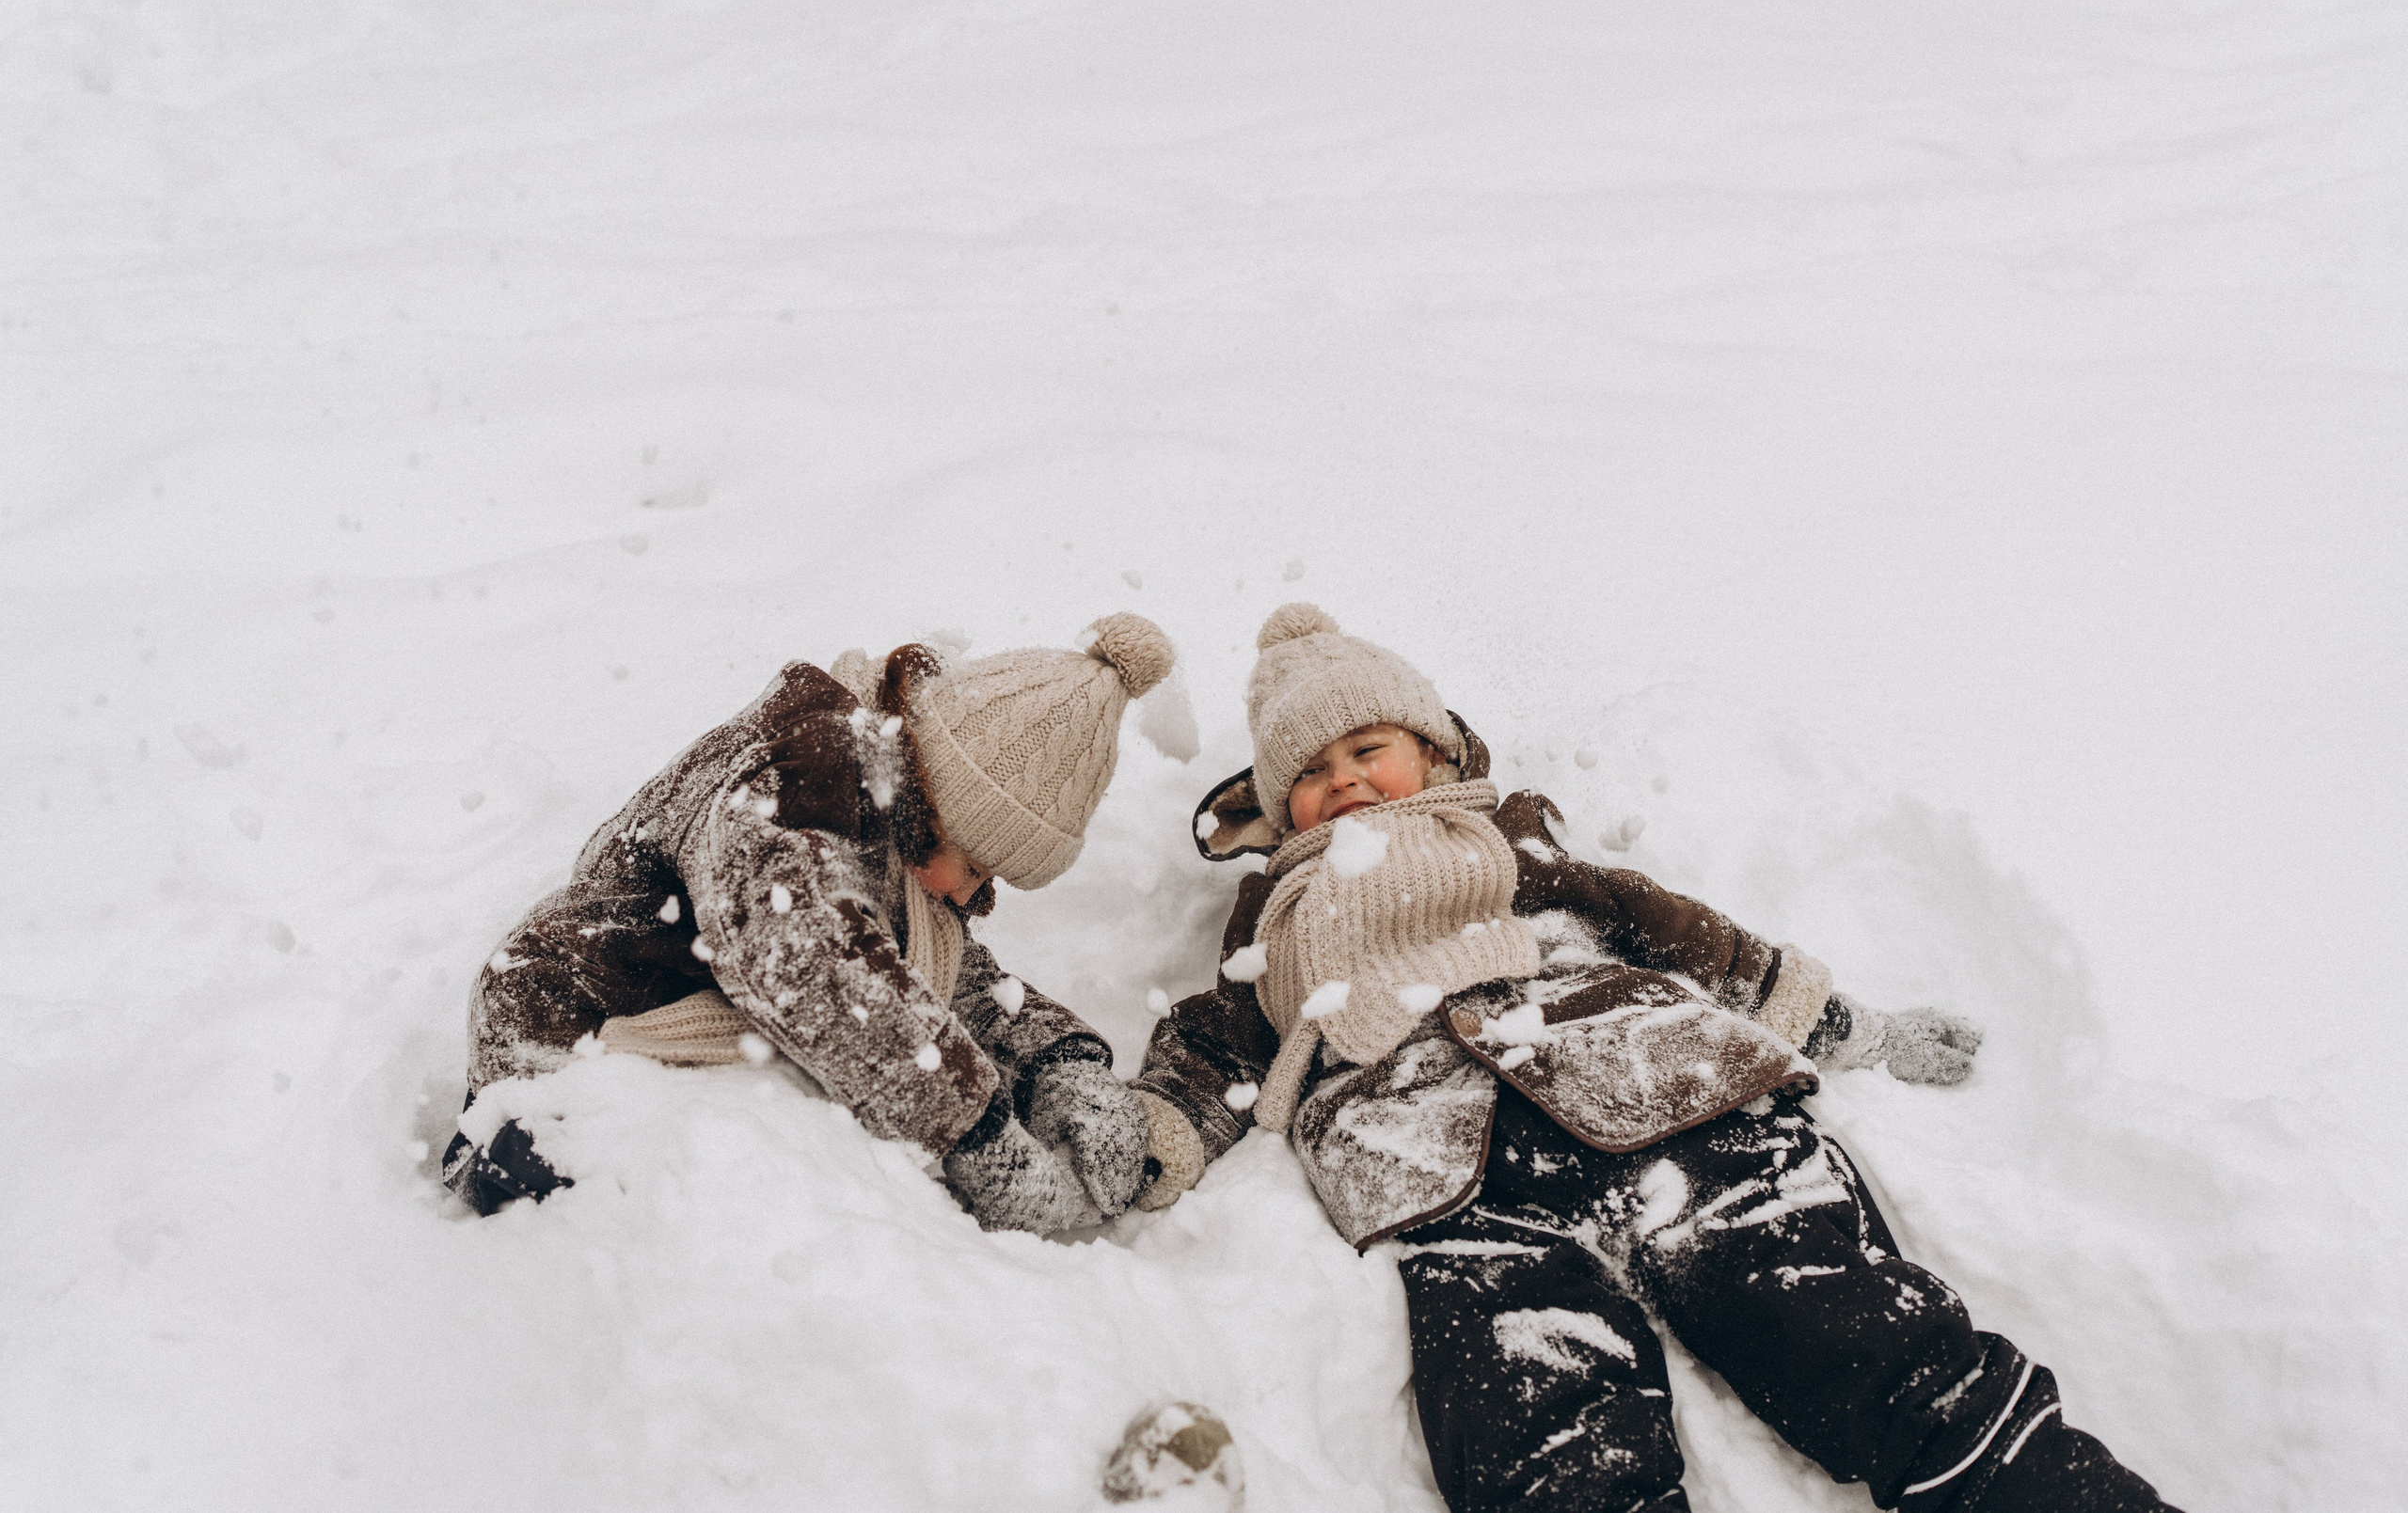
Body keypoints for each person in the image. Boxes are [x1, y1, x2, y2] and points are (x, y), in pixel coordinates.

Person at [1127, 603, 2175, 1513]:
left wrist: (1846, 1024)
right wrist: (1153, 1135)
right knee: (1539, 1433)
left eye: (1368, 748)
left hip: (1666, 1098)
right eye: (1310, 772)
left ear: (1435, 752)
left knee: (1848, 1332)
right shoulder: (1275, 914)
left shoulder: (1509, 841)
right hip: (1451, 1180)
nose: (1345, 780)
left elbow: (1682, 935)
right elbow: (1216, 1043)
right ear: (1279, 806)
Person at [442, 613, 1176, 1237]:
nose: (968, 896)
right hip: (565, 1043)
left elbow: (935, 981)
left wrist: (1057, 1063)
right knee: (740, 1224)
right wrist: (978, 1135)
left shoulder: (897, 814)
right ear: (942, 798)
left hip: (668, 1033)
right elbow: (816, 972)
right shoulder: (797, 780)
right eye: (977, 868)